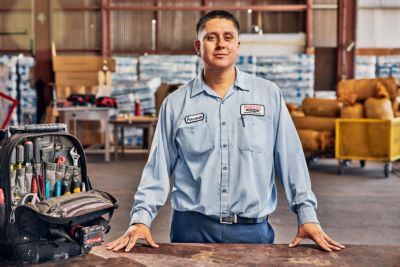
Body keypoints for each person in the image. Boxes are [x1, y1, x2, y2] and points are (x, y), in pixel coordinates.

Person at [106, 10, 345, 252]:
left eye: (228, 37)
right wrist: (140, 219)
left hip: (252, 232)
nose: (221, 44)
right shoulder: (176, 103)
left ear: (238, 45)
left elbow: (291, 159)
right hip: (191, 230)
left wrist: (307, 215)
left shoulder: (268, 95)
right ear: (198, 47)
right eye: (211, 38)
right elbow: (157, 168)